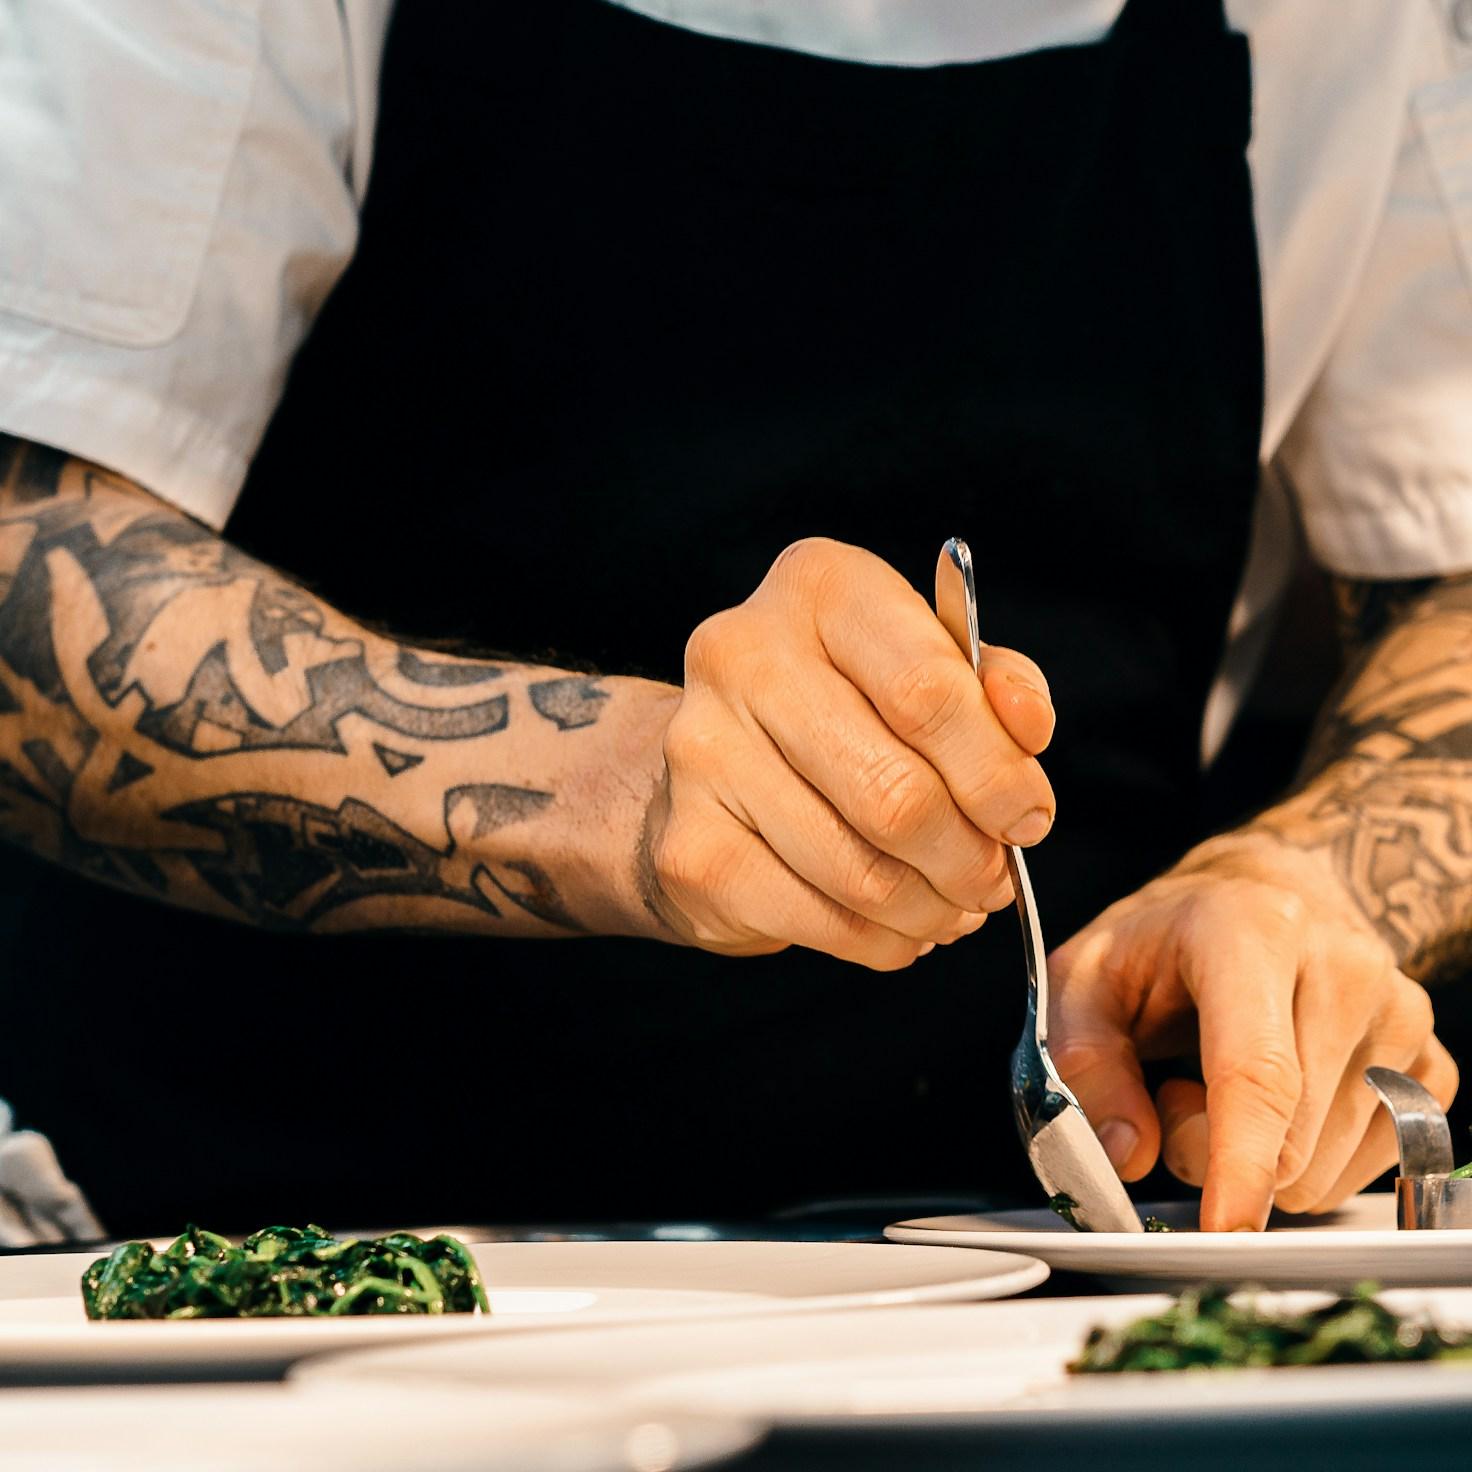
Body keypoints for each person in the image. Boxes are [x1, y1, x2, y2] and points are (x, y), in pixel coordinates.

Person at [0, 0, 1467, 1239]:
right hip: (254, 1263)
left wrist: (1313, 884)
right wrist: (618, 780)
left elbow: (1448, 586)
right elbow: (25, 560)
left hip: (1049, 1269)